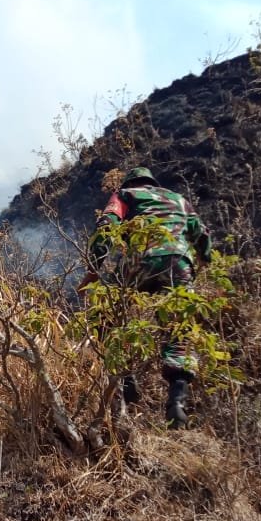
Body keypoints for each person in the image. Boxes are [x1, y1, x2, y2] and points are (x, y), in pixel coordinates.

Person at [85, 167, 213, 429]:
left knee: (108, 311)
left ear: (132, 182)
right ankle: (176, 399)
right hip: (179, 263)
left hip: (141, 259)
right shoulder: (179, 200)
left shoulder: (125, 194)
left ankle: (126, 377)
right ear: (153, 182)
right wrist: (206, 261)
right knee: (180, 328)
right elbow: (201, 234)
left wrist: (94, 268)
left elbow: (107, 224)